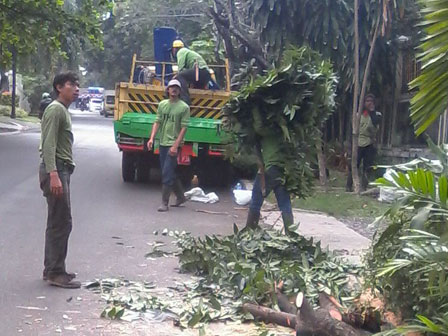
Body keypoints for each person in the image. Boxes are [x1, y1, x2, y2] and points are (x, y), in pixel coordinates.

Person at [39, 72, 80, 288]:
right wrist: (53, 174)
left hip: (60, 170)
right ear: (58, 87)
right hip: (56, 170)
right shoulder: (55, 109)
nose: (76, 89)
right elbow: (48, 144)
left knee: (57, 221)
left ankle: (53, 269)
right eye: (71, 85)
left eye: (77, 85)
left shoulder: (62, 110)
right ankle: (55, 272)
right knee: (62, 222)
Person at [245, 108, 294, 235]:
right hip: (282, 171)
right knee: (284, 203)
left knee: (256, 199)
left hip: (270, 170)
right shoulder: (285, 133)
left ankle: (249, 232)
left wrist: (255, 108)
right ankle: (291, 233)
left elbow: (258, 127)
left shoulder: (269, 132)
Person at [147, 79, 190, 212]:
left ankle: (164, 203)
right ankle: (181, 197)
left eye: (176, 87)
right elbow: (157, 121)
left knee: (166, 172)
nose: (174, 89)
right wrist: (152, 138)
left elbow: (184, 128)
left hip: (173, 145)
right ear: (168, 90)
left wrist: (175, 146)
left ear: (180, 91)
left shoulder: (184, 107)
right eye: (172, 87)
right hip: (163, 143)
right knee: (169, 171)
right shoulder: (162, 105)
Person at [346, 93, 382, 191]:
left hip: (369, 143)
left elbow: (376, 123)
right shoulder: (358, 115)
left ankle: (363, 187)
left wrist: (372, 111)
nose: (369, 103)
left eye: (371, 101)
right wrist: (349, 146)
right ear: (363, 103)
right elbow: (351, 130)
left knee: (367, 167)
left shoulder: (377, 115)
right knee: (354, 165)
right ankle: (349, 186)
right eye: (367, 101)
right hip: (357, 143)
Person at [171, 40, 211, 105]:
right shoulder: (188, 51)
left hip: (199, 71)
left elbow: (180, 68)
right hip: (205, 75)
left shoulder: (181, 51)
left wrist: (175, 77)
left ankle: (185, 100)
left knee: (179, 76)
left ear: (174, 49)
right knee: (196, 90)